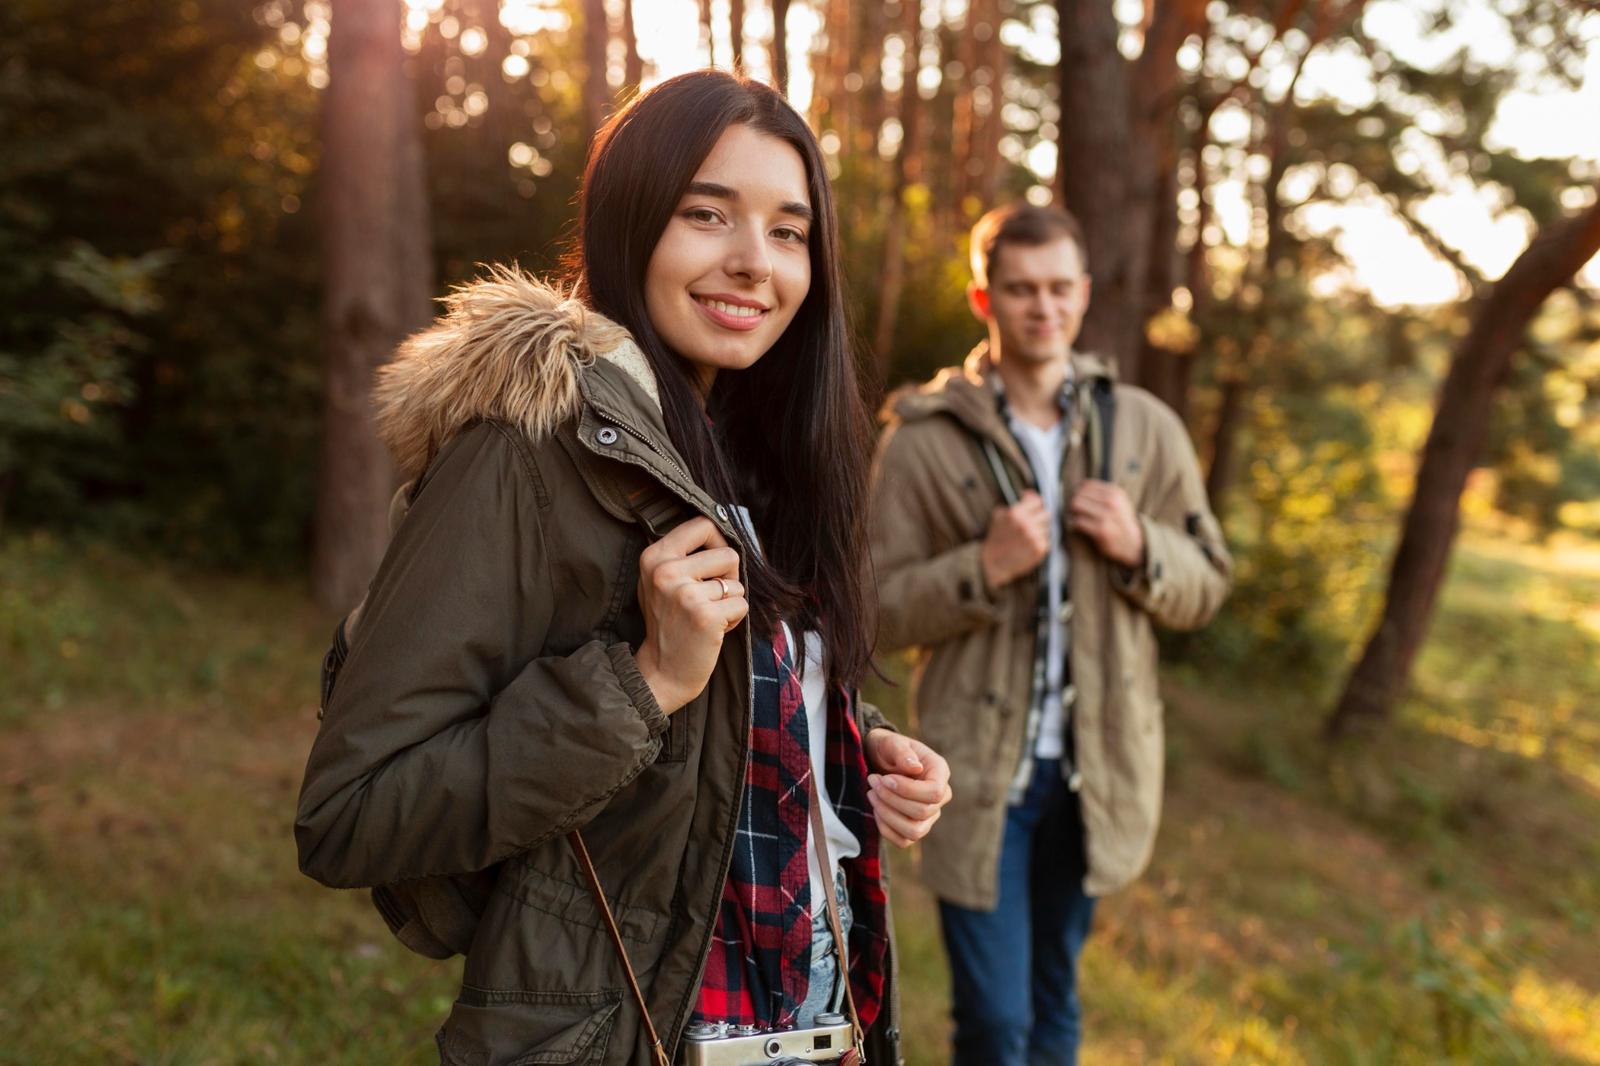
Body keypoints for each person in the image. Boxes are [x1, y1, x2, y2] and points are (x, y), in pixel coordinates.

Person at [295, 71, 951, 1066]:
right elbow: (351, 813)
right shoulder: (521, 456)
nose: (752, 264)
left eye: (788, 231)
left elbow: (725, 717)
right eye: (706, 214)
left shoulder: (764, 464)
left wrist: (855, 743)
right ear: (630, 216)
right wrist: (644, 684)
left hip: (828, 1034)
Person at [867, 203, 1232, 1066]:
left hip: (1098, 766)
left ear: (1085, 293)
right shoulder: (921, 440)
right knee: (995, 1024)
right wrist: (982, 567)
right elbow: (870, 610)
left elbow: (1209, 581)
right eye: (1021, 289)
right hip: (979, 768)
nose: (1044, 308)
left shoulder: (1144, 427)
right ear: (982, 298)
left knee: (1055, 1001)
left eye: (1060, 288)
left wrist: (1144, 545)